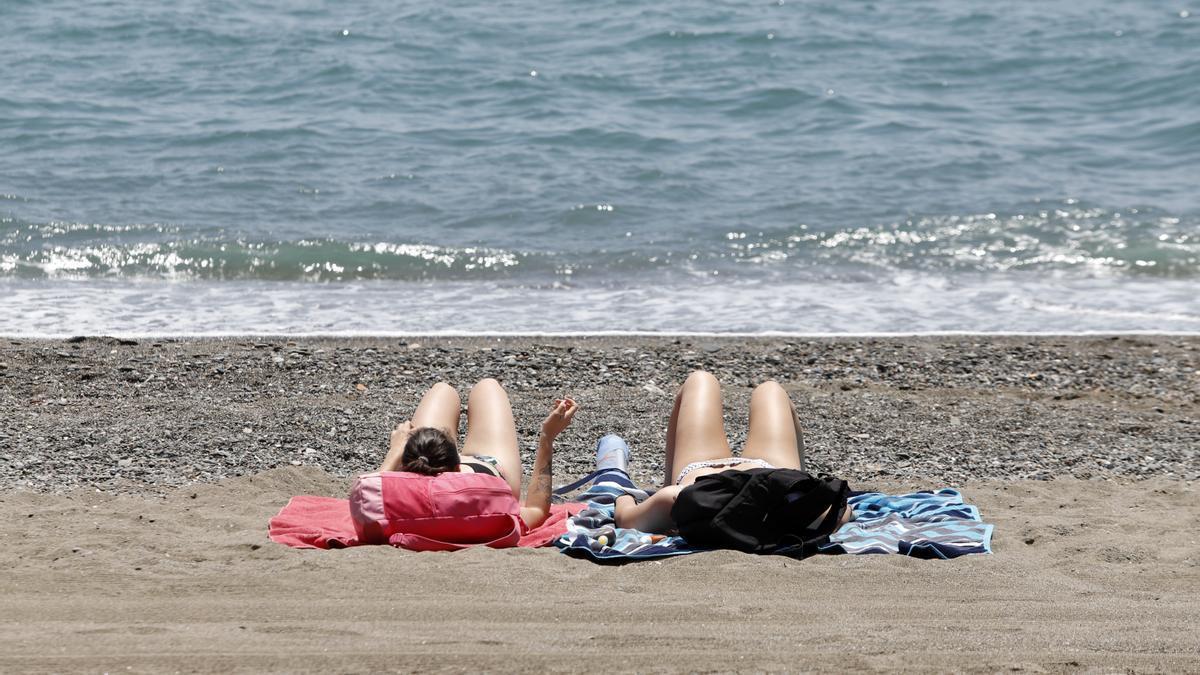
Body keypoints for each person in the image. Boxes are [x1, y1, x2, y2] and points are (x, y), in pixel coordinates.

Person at [613, 370, 852, 535]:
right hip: (760, 475)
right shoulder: (676, 499)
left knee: (702, 379)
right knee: (769, 389)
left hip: (758, 476)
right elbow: (841, 512)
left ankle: (797, 476)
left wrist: (626, 497)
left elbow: (626, 518)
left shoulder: (675, 500)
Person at [378, 379, 577, 529]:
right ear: (457, 466)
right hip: (485, 468)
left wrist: (395, 451)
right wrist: (547, 438)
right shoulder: (492, 504)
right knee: (487, 386)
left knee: (442, 390)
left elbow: (367, 493)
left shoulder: (395, 504)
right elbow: (537, 510)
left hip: (420, 469)